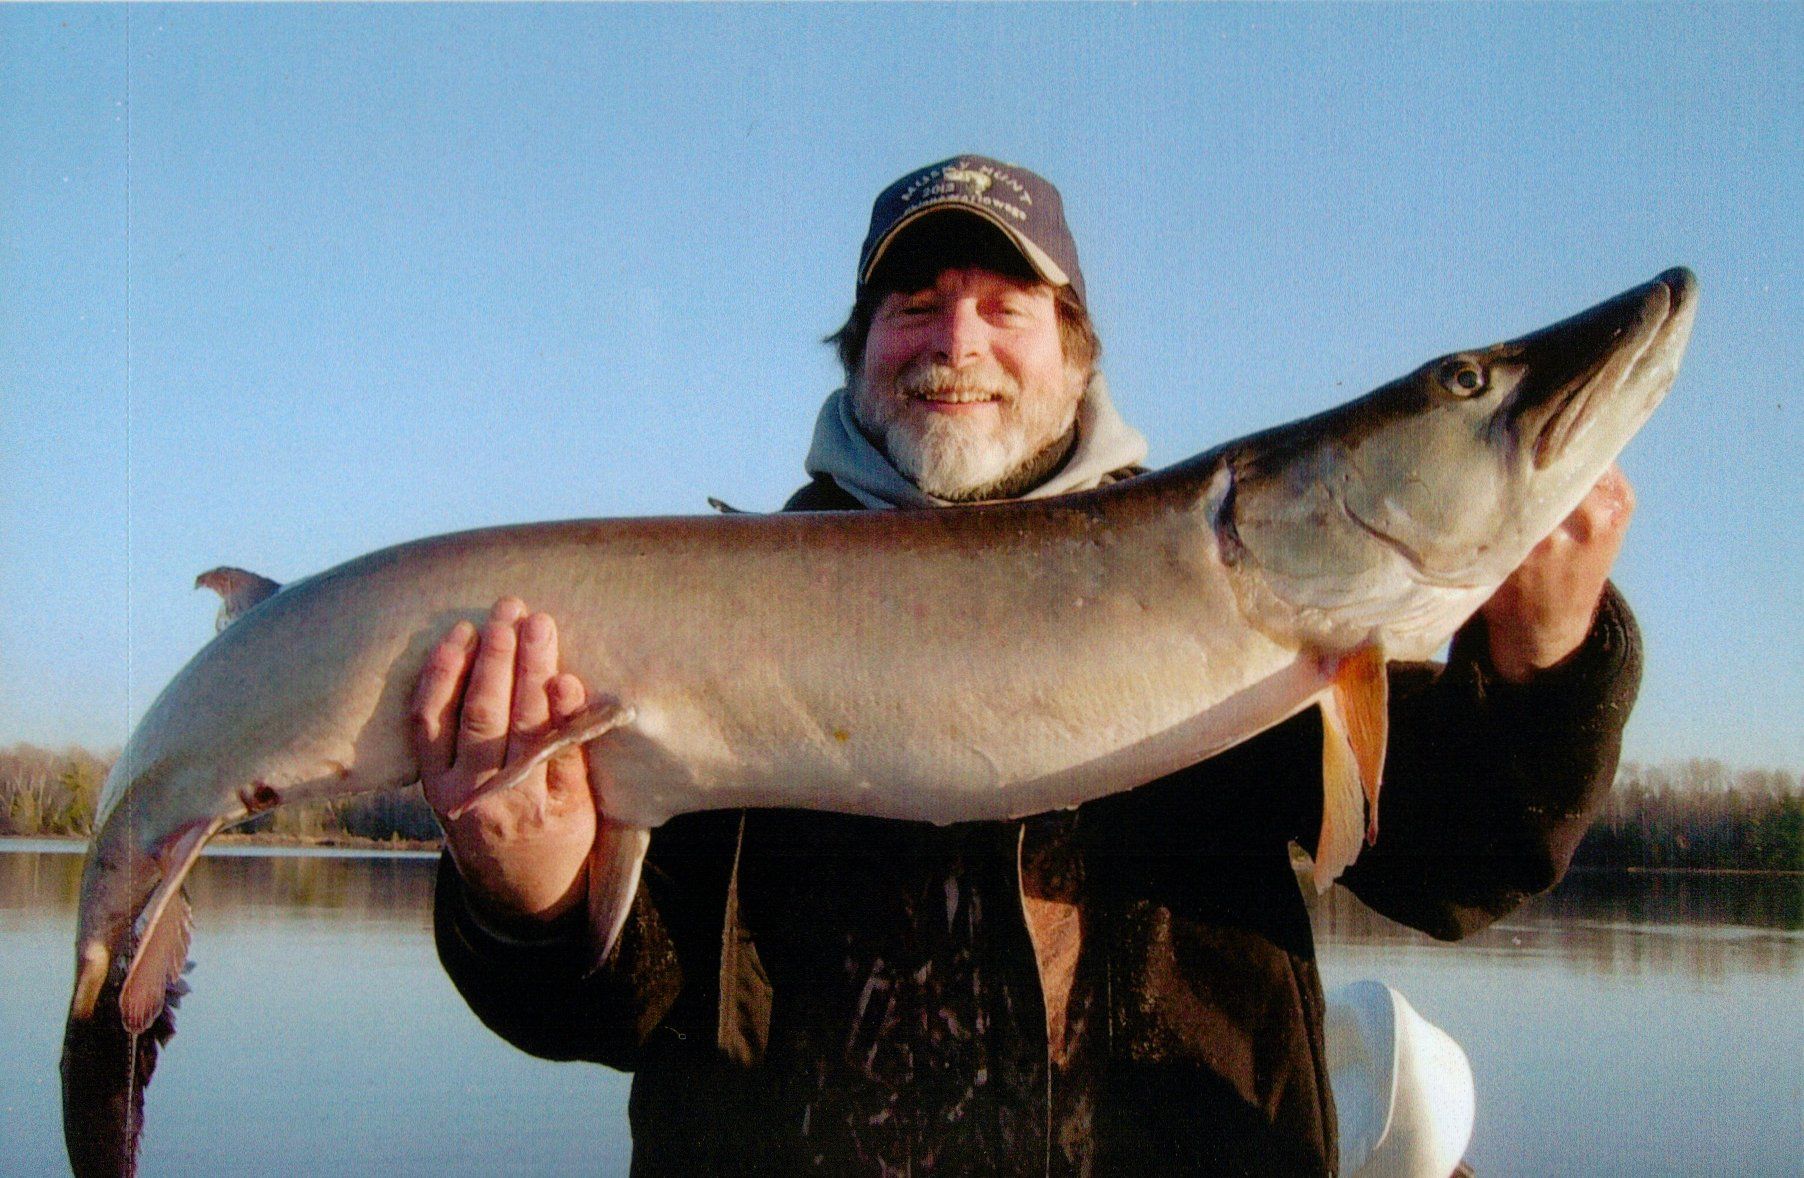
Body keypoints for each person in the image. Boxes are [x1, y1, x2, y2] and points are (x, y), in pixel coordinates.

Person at [412, 156, 1641, 1176]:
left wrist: (1545, 657)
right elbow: (616, 1011)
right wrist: (530, 897)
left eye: (1007, 307)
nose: (957, 340)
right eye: (914, 306)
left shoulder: (1258, 591)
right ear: (856, 355)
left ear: (1077, 357)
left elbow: (1458, 865)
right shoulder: (717, 611)